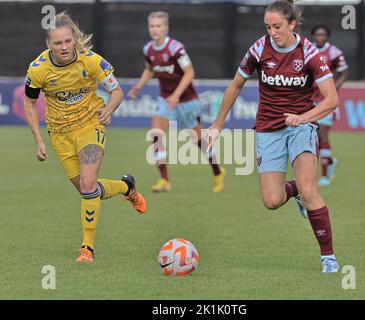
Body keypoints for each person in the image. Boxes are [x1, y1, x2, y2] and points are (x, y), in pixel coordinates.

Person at [207, 0, 340, 273]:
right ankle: (295, 192)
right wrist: (217, 123)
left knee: (310, 188)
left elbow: (332, 99)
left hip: (301, 127)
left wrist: (304, 118)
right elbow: (235, 86)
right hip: (268, 128)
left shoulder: (309, 52)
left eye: (277, 26)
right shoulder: (259, 49)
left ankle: (328, 256)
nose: (272, 33)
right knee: (272, 201)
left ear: (292, 24)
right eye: (268, 27)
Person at [24, 12, 147, 263]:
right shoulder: (38, 69)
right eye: (58, 43)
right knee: (86, 190)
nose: (64, 47)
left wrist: (108, 109)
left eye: (68, 41)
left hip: (90, 126)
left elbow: (116, 91)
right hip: (59, 134)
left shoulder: (91, 61)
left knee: (89, 185)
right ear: (49, 44)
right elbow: (29, 102)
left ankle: (86, 249)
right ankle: (126, 187)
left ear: (74, 39)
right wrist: (38, 139)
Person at [128, 11, 225, 193]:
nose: (155, 30)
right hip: (165, 99)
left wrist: (176, 95)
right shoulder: (148, 49)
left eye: (158, 26)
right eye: (152, 26)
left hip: (186, 101)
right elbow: (150, 69)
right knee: (156, 133)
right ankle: (164, 180)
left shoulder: (175, 48)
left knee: (198, 141)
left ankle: (218, 172)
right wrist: (138, 87)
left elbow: (190, 73)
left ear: (165, 28)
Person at [311, 25, 349, 186]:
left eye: (323, 34)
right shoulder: (309, 49)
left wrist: (335, 87)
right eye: (318, 34)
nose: (320, 37)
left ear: (327, 36)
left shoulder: (334, 52)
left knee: (323, 135)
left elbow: (344, 72)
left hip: (326, 100)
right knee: (315, 136)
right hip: (311, 99)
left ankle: (325, 176)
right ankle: (330, 162)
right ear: (314, 36)